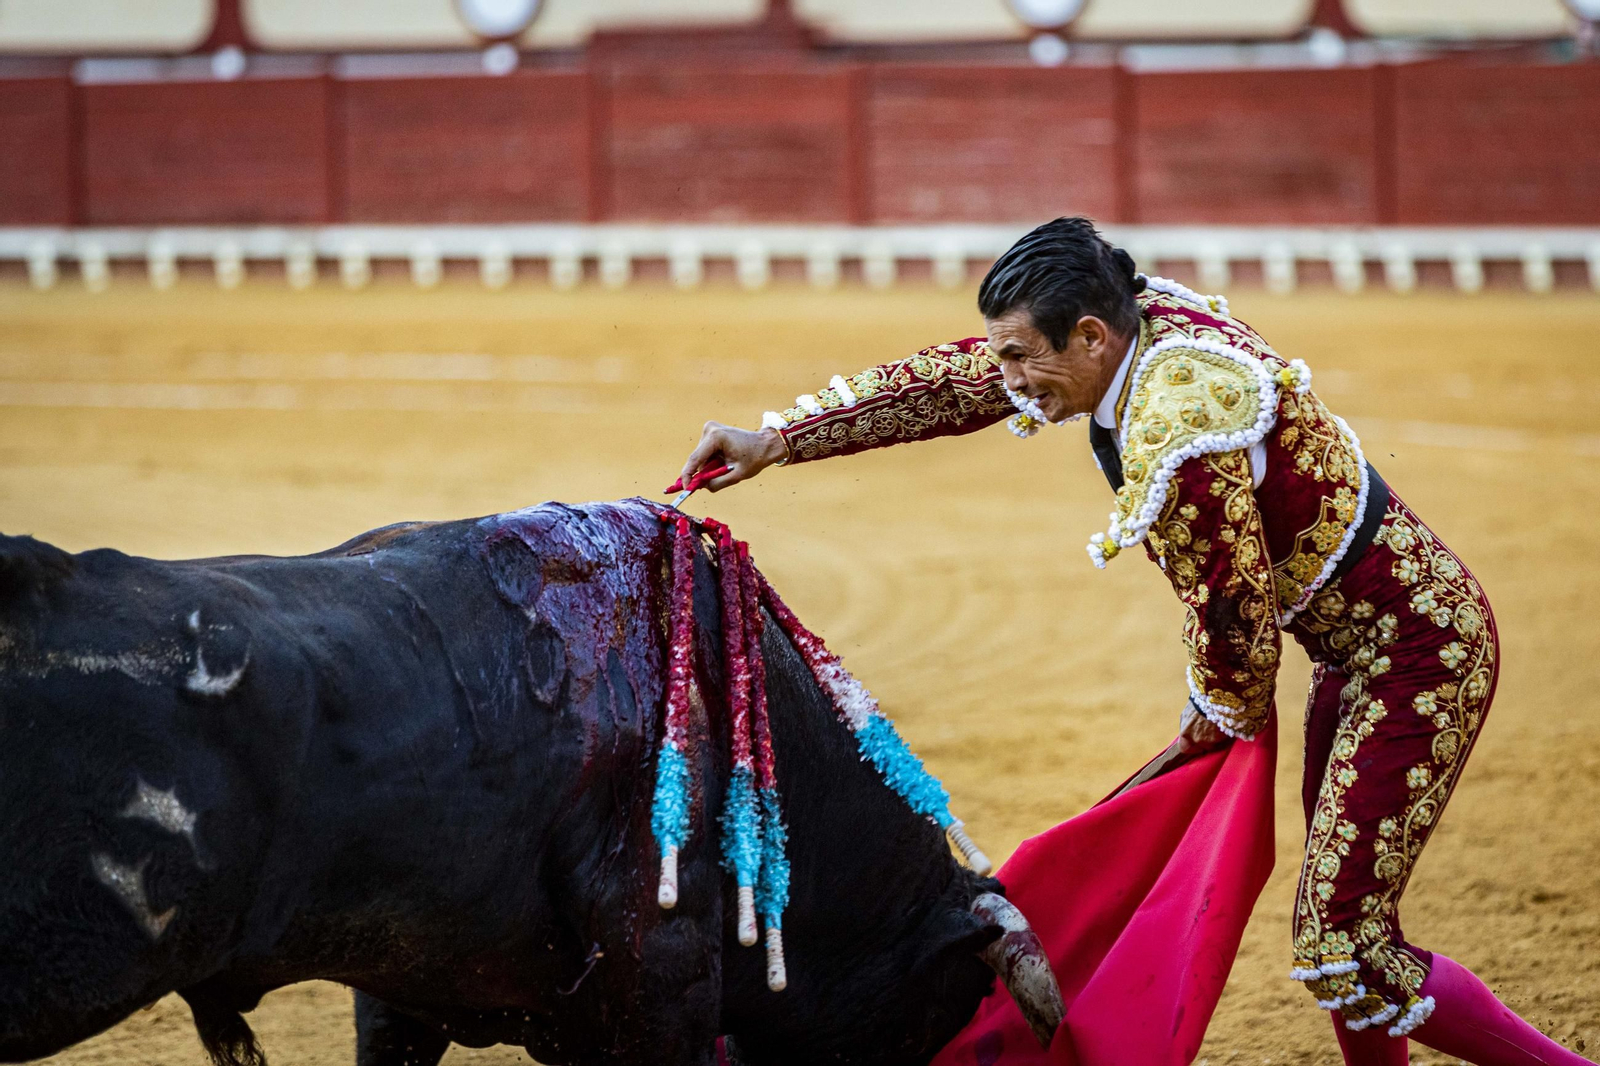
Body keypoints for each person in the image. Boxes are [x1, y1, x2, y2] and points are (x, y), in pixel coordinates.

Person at [677, 217, 1593, 1066]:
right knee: (1349, 929)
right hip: (1360, 650)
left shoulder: (1177, 429)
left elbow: (1233, 616)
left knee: (1344, 941)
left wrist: (1217, 712)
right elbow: (960, 382)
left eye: (1023, 357)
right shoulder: (1123, 320)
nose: (1009, 380)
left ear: (1090, 338)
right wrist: (779, 440)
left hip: (1417, 655)